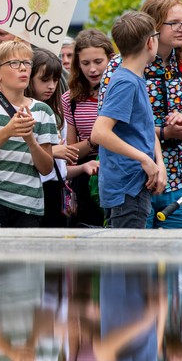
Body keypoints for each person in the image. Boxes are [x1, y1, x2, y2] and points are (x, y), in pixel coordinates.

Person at [100, 0, 182, 228]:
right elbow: (107, 127)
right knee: (134, 260)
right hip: (137, 179)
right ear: (154, 29)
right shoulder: (122, 68)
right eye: (175, 23)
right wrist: (164, 133)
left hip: (180, 176)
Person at [0, 40, 57, 227]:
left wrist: (31, 141)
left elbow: (47, 168)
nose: (23, 68)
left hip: (28, 205)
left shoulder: (43, 111)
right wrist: (8, 131)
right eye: (14, 63)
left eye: (27, 63)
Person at [92, 11, 167, 228]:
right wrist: (144, 159)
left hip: (134, 183)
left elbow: (146, 127)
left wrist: (158, 162)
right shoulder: (126, 82)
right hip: (127, 187)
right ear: (149, 43)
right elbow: (100, 132)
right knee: (129, 261)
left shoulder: (135, 79)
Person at [63, 29, 114, 228]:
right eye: (85, 63)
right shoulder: (71, 99)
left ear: (111, 58)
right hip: (87, 175)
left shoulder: (121, 91)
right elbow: (71, 152)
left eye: (98, 62)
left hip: (119, 170)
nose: (92, 69)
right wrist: (95, 138)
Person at [27, 49, 77, 227]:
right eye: (44, 80)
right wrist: (54, 151)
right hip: (33, 188)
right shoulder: (23, 111)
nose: (51, 86)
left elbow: (62, 168)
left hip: (55, 187)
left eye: (55, 80)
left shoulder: (57, 113)